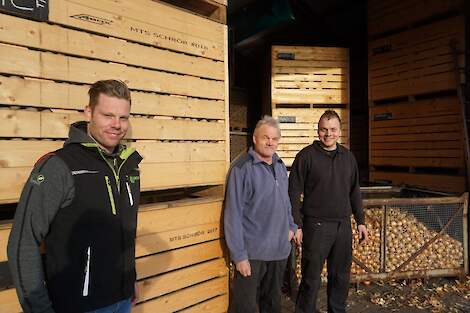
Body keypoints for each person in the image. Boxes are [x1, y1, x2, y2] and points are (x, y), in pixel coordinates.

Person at [7, 80, 142, 313]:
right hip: (79, 306)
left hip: (122, 300)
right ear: (88, 112)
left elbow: (121, 232)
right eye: (108, 115)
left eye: (123, 117)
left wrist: (129, 278)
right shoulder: (59, 167)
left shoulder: (128, 166)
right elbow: (22, 242)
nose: (117, 125)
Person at [289, 110, 368, 313]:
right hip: (316, 226)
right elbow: (293, 192)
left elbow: (354, 191)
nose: (328, 134)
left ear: (339, 131)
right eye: (324, 129)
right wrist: (296, 224)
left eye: (332, 130)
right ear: (318, 130)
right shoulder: (306, 156)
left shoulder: (348, 157)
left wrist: (360, 221)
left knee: (340, 277)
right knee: (311, 279)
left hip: (343, 226)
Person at [224, 115, 299, 313]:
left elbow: (286, 202)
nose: (270, 142)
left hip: (278, 252)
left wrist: (291, 226)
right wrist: (239, 256)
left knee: (272, 305)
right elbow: (233, 215)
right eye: (265, 137)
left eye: (274, 139)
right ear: (255, 139)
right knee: (245, 307)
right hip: (252, 254)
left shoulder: (280, 165)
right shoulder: (241, 169)